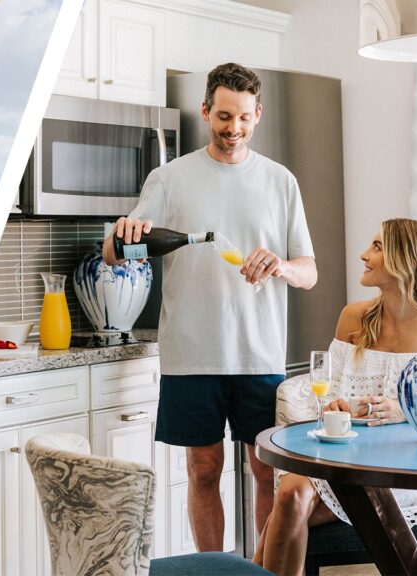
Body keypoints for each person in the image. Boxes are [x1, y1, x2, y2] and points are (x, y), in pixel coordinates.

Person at [103, 62, 318, 551]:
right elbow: (114, 253)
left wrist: (281, 266)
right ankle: (213, 569)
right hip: (191, 353)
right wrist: (119, 233)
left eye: (243, 117)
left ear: (258, 114)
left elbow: (309, 273)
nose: (233, 128)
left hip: (259, 354)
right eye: (223, 116)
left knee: (267, 473)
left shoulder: (280, 181)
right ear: (205, 111)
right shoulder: (170, 178)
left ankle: (263, 568)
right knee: (203, 470)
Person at [253, 218, 417, 576]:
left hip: (406, 469)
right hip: (346, 462)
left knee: (286, 510)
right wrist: (335, 406)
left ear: (406, 257)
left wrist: (405, 410)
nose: (364, 254)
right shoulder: (354, 317)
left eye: (377, 246)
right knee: (290, 494)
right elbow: (330, 392)